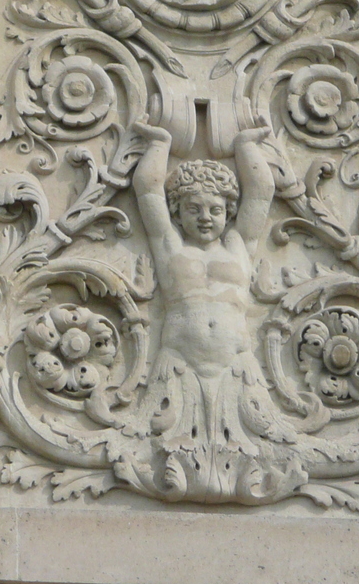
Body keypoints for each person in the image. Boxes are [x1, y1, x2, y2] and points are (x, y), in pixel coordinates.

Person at [108, 118, 313, 502]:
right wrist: (160, 144)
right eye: (194, 208)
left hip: (235, 363)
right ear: (178, 212)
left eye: (215, 209)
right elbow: (148, 192)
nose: (205, 216)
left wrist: (245, 146)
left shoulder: (238, 244)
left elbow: (260, 195)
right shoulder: (170, 245)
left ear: (227, 212)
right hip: (178, 362)